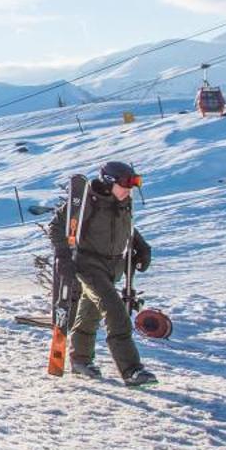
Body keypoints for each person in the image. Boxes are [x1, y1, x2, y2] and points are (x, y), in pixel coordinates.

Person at [48, 160, 158, 386]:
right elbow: (56, 226)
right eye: (125, 184)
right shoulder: (86, 202)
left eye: (133, 185)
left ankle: (80, 360)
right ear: (109, 183)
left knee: (89, 314)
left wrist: (141, 247)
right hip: (88, 265)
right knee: (116, 312)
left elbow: (127, 226)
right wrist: (63, 256)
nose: (129, 190)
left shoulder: (124, 202)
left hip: (112, 266)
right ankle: (131, 370)